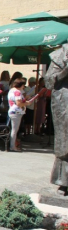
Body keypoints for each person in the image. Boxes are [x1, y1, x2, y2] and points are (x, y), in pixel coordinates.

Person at [45, 44, 68, 196]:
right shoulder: (59, 56)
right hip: (64, 102)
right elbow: (48, 82)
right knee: (65, 141)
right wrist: (65, 72)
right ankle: (64, 182)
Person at [8, 79, 32, 152]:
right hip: (16, 112)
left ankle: (13, 145)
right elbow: (19, 103)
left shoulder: (12, 90)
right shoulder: (17, 92)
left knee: (14, 130)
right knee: (15, 130)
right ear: (21, 85)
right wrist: (27, 103)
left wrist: (25, 100)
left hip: (13, 111)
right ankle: (13, 146)